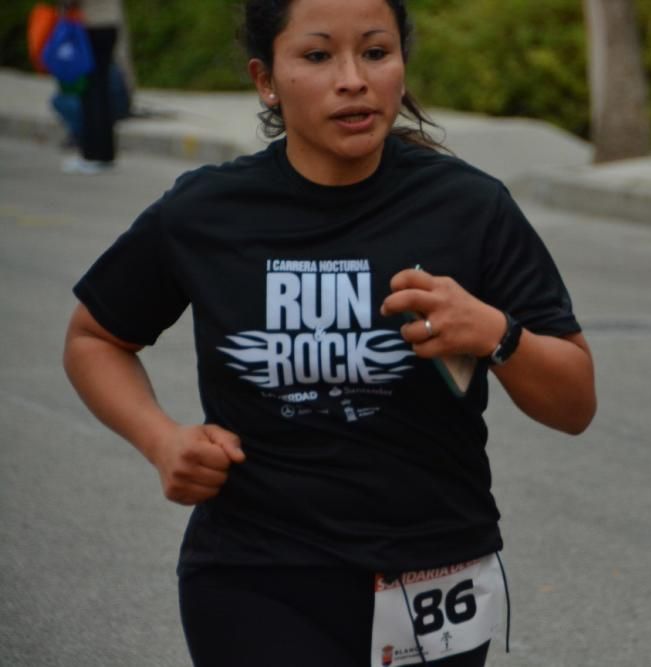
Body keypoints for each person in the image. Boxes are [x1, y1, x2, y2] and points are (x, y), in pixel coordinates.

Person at [62, 0, 596, 665]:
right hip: (257, 573)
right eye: (317, 56)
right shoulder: (207, 212)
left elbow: (574, 403)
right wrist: (161, 439)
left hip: (435, 576)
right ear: (266, 80)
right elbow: (94, 339)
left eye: (376, 52)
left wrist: (497, 333)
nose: (353, 79)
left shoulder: (470, 207)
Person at [61, 0, 123, 174]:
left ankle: (92, 155)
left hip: (91, 26)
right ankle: (105, 154)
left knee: (91, 94)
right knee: (102, 92)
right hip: (109, 24)